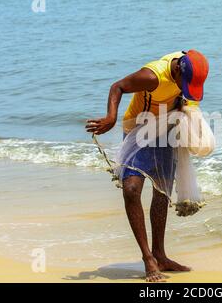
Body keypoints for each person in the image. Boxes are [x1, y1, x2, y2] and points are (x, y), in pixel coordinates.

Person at [86, 50, 209, 282]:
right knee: (131, 188)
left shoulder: (191, 70)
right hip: (139, 129)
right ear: (175, 71)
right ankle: (148, 259)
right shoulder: (153, 75)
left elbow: (188, 101)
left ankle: (160, 255)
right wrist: (111, 117)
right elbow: (118, 86)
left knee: (162, 191)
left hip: (167, 128)